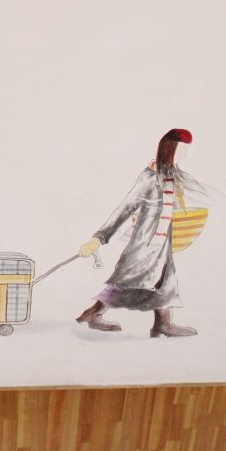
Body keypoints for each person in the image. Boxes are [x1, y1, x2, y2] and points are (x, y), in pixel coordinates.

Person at [75, 128, 200, 337]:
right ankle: (92, 314)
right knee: (127, 281)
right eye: (181, 150)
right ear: (169, 149)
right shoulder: (149, 178)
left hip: (162, 245)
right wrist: (99, 238)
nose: (184, 155)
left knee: (164, 281)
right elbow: (125, 208)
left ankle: (162, 324)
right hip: (145, 244)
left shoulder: (170, 176)